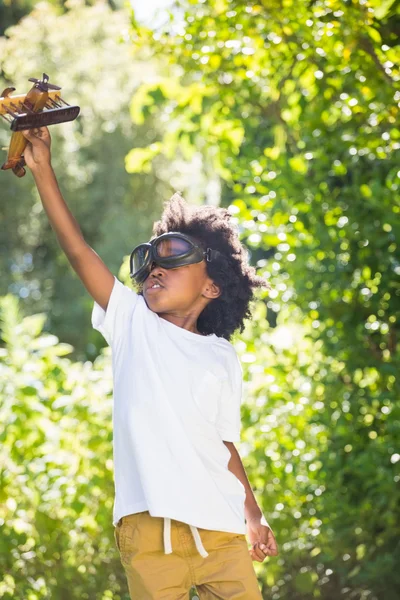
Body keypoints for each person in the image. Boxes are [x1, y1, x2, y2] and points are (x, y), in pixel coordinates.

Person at [21, 126, 279, 600]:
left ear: (212, 286)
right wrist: (43, 171)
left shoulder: (222, 357)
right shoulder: (133, 323)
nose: (155, 269)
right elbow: (78, 251)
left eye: (176, 260)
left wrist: (253, 514)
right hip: (149, 532)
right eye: (150, 264)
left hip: (221, 531)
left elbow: (223, 443)